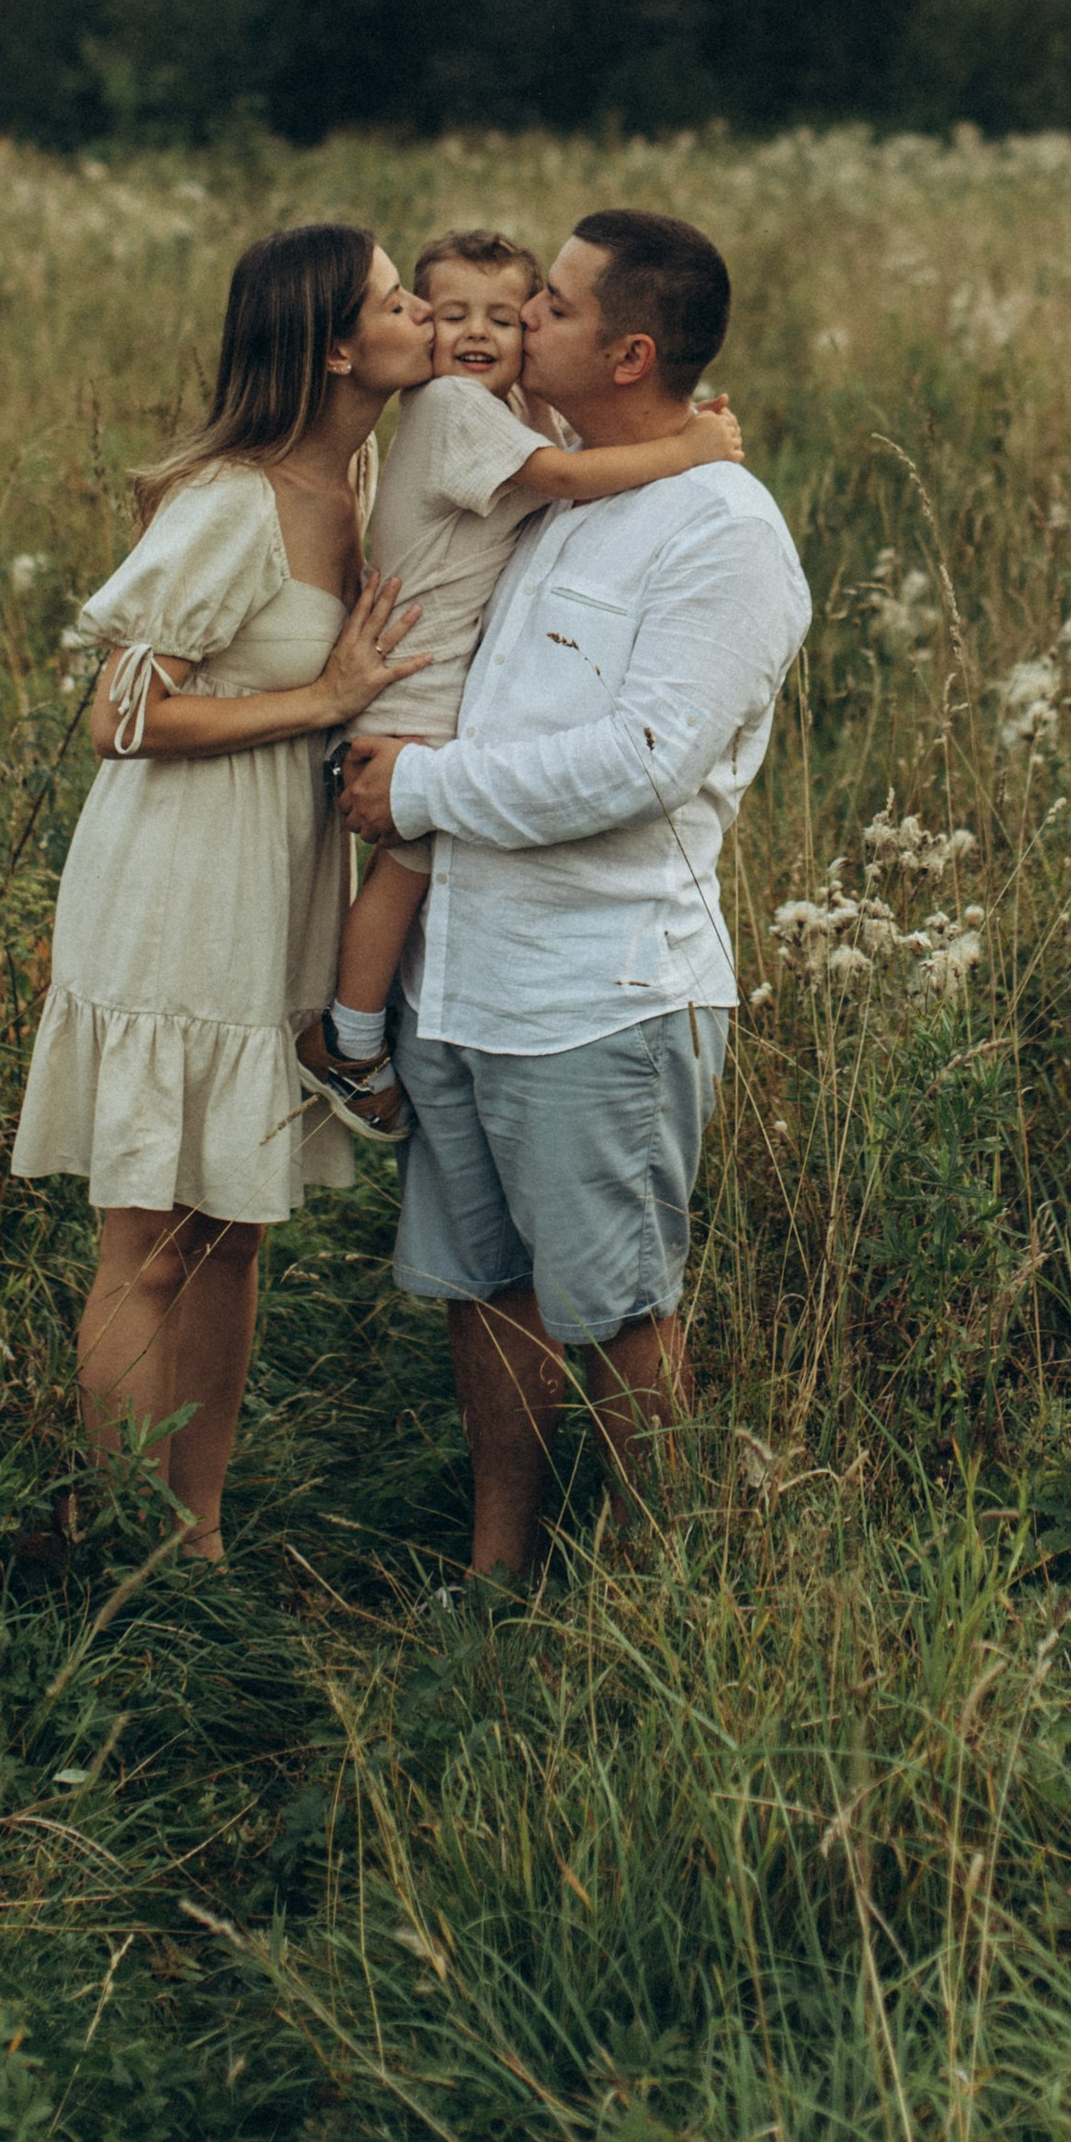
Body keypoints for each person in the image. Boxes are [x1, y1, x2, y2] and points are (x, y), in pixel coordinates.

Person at [340, 207, 811, 1576]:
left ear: (629, 351)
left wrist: (415, 793)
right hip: (469, 975)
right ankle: (500, 1564)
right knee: (487, 1289)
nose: (511, 320)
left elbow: (645, 761)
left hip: (599, 991)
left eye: (549, 303)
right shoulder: (551, 491)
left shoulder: (721, 530)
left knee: (617, 1303)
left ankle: (655, 1579)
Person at [9, 221, 435, 1556]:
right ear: (334, 343)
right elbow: (120, 717)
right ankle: (121, 1553)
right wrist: (331, 696)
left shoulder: (358, 473)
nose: (421, 308)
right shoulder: (235, 499)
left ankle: (196, 1533)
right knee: (149, 1238)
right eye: (394, 296)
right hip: (178, 880)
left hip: (271, 883)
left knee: (233, 1230)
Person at [314, 222, 746, 1141]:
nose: (483, 333)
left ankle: (358, 1028)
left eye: (513, 315)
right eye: (449, 313)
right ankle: (348, 1038)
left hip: (429, 677)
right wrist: (690, 449)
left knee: (409, 864)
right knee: (406, 863)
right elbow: (567, 478)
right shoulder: (452, 410)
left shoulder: (501, 414)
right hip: (415, 678)